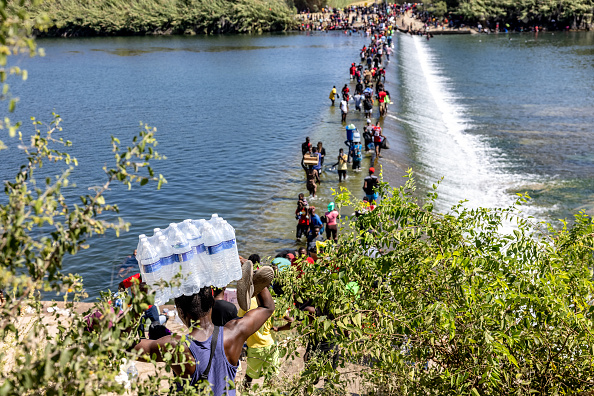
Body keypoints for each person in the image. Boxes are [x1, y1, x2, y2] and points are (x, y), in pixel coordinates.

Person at [134, 286, 275, 396]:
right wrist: (254, 276)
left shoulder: (175, 346)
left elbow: (124, 346)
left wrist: (139, 300)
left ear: (181, 313)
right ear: (212, 304)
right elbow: (267, 307)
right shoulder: (233, 333)